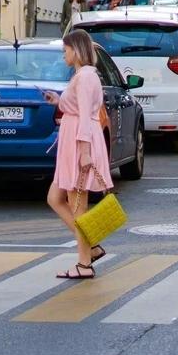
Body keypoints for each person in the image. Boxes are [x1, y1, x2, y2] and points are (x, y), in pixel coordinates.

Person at [42, 30, 113, 280]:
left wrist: (84, 152)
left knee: (78, 205)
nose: (64, 54)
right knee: (55, 197)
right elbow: (78, 108)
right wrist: (58, 101)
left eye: (66, 50)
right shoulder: (84, 76)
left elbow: (84, 115)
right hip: (75, 139)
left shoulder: (84, 77)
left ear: (76, 50)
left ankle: (84, 263)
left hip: (79, 142)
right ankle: (91, 247)